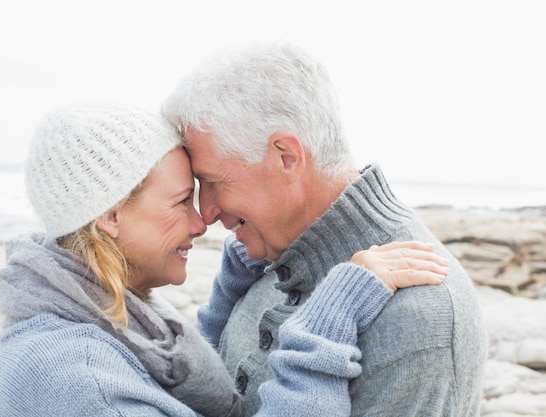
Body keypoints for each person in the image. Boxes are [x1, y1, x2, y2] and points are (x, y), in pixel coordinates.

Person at [0, 102, 448, 416]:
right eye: (181, 200)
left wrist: (229, 295)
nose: (200, 222)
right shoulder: (86, 384)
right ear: (110, 215)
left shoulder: (89, 316)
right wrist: (326, 325)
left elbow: (165, 383)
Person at [162, 41, 488, 416]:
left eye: (213, 181)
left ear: (287, 157)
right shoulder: (266, 261)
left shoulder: (419, 317)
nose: (206, 213)